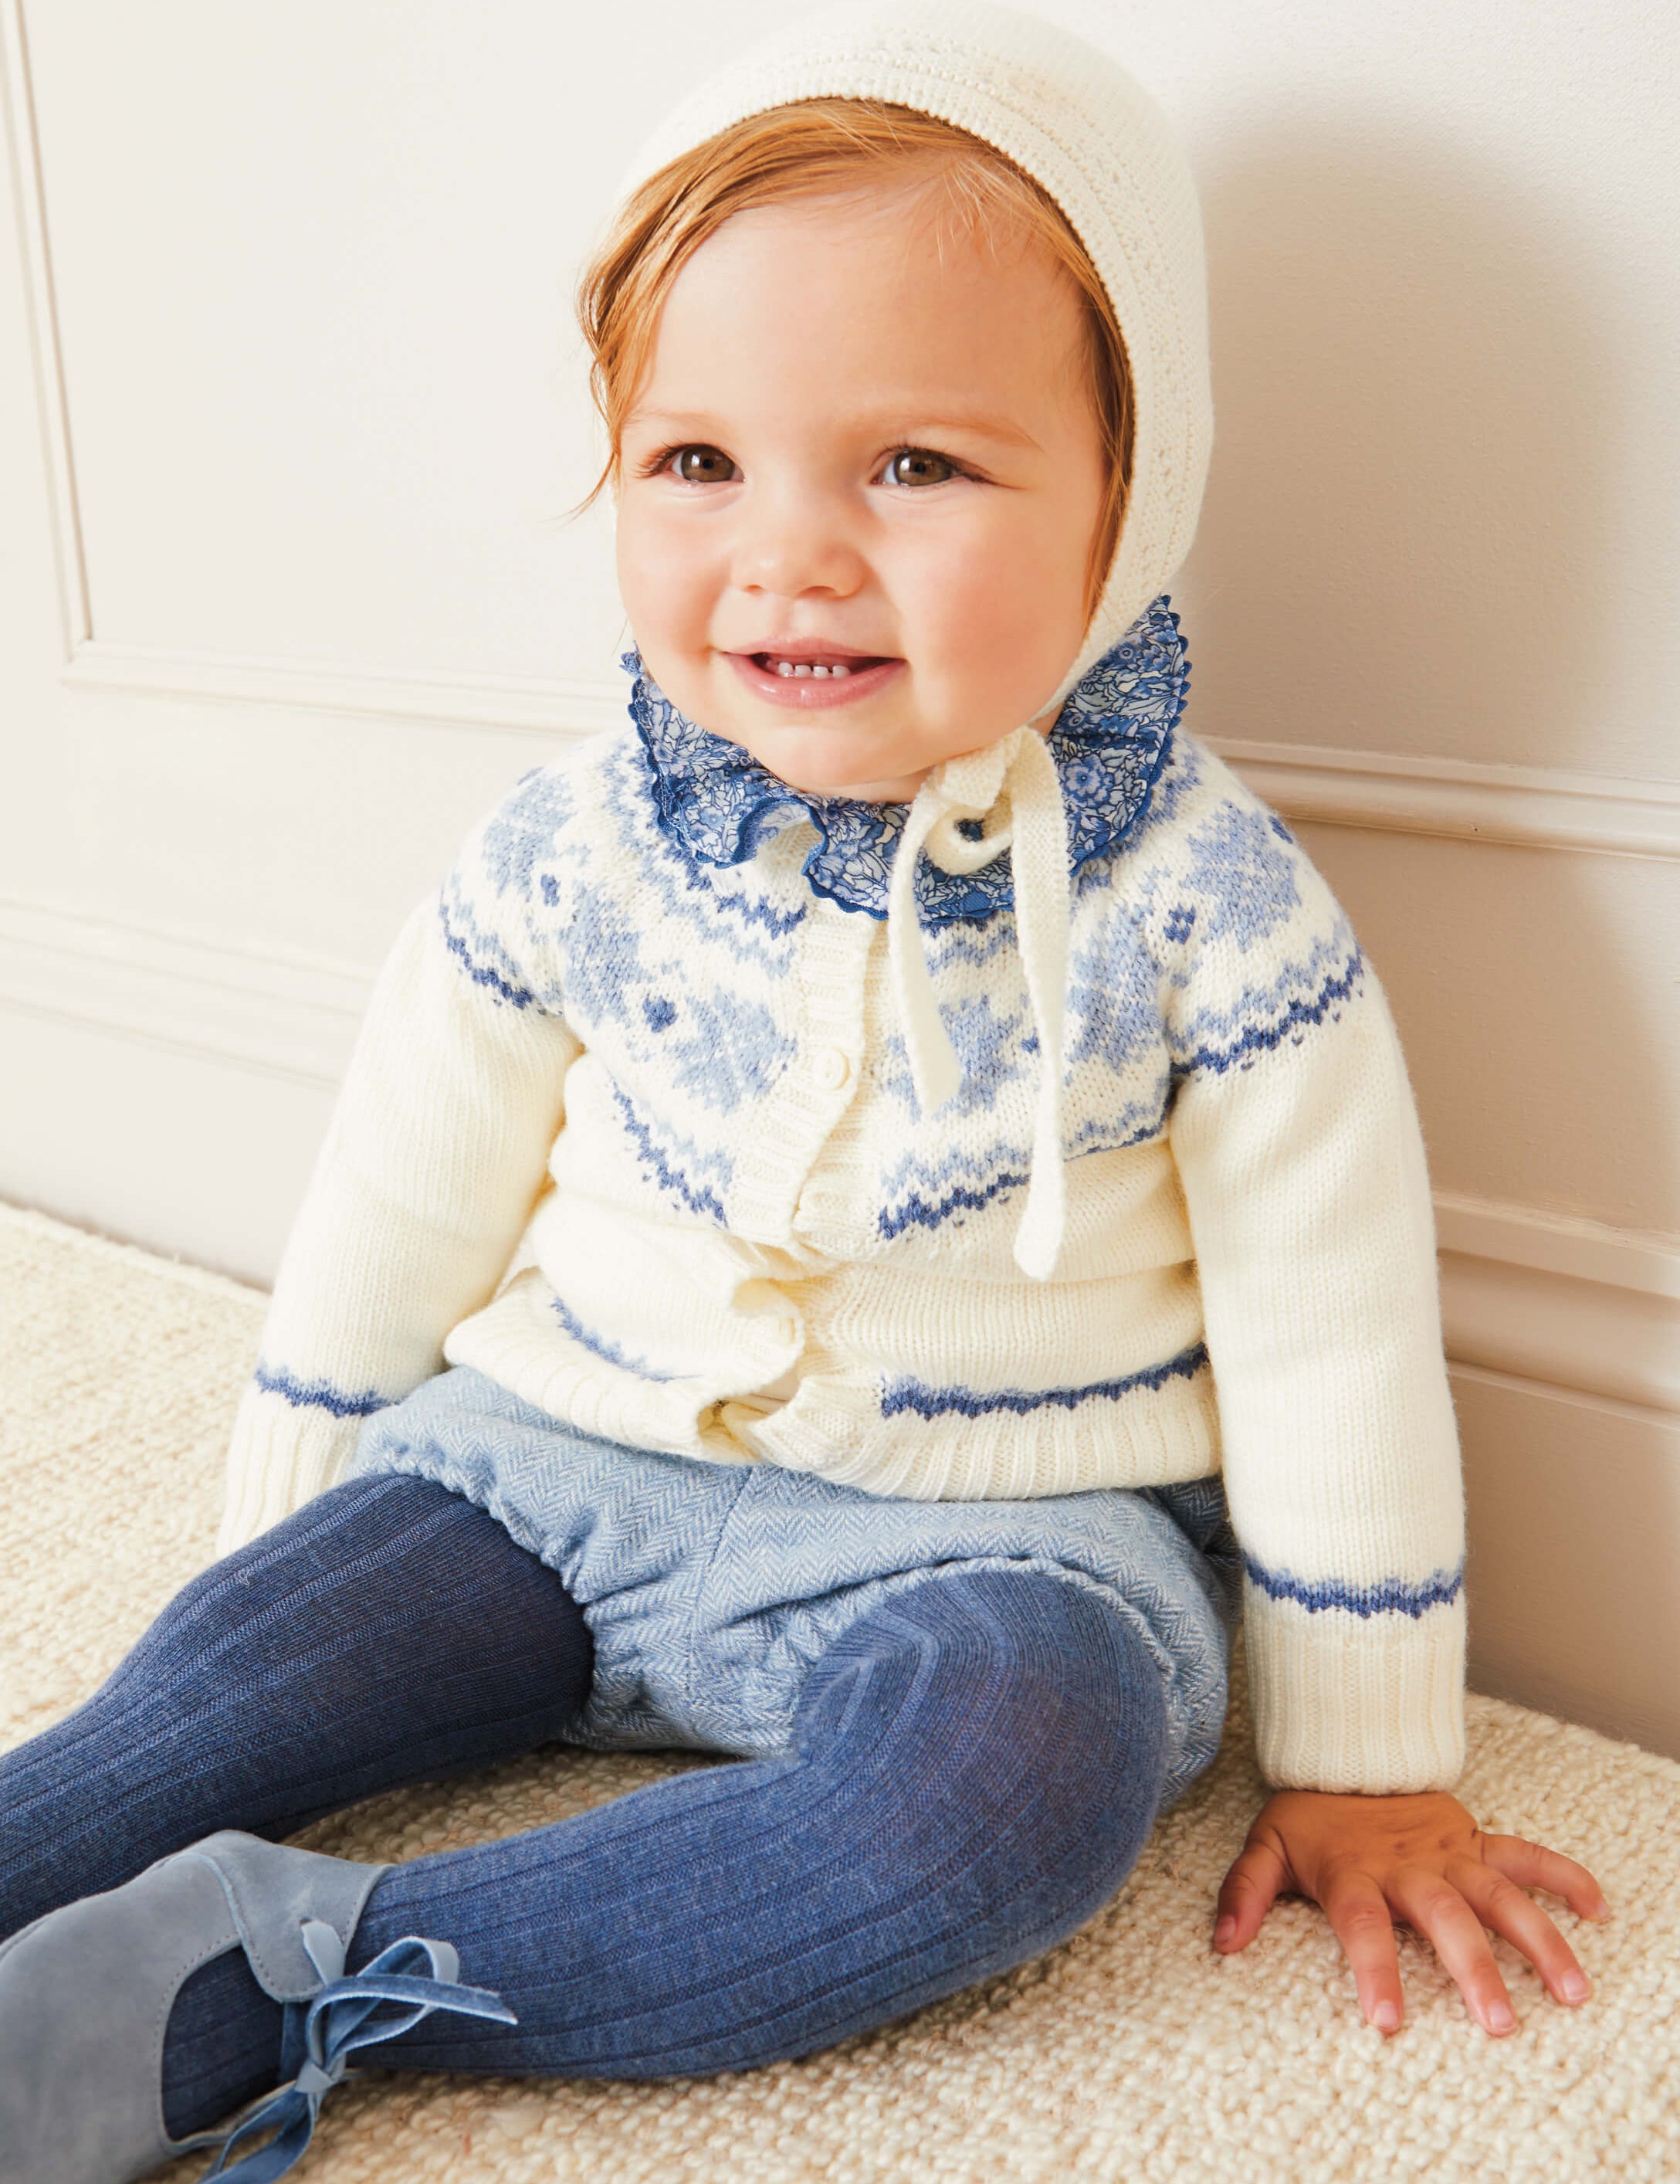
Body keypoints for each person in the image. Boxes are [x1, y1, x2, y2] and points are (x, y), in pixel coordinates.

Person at [0, 5, 1608, 2179]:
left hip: (994, 1544)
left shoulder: (1208, 908)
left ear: (1131, 497)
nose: (789, 555)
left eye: (914, 465)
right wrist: (281, 1554)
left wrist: (1370, 1756)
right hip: (546, 1470)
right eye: (697, 463)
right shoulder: (576, 839)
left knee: (995, 1811)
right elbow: (401, 1192)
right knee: (207, 1701)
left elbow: (1333, 1340)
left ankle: (282, 1976)